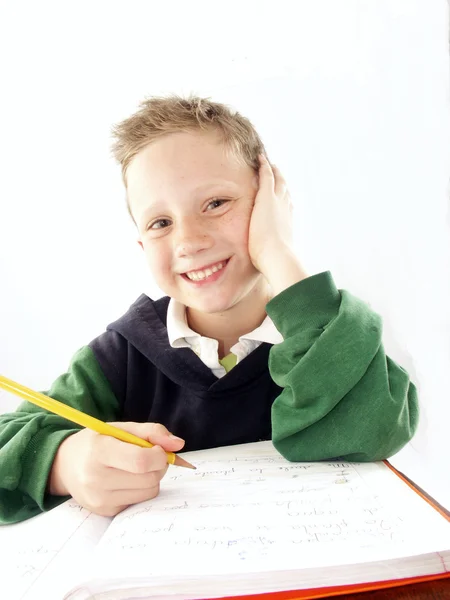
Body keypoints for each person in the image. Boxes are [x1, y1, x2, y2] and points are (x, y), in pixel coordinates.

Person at [0, 95, 419, 525]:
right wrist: (64, 463)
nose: (190, 242)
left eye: (216, 204)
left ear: (270, 204)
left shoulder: (329, 326)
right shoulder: (120, 357)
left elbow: (379, 427)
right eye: (160, 223)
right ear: (142, 244)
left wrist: (277, 251)